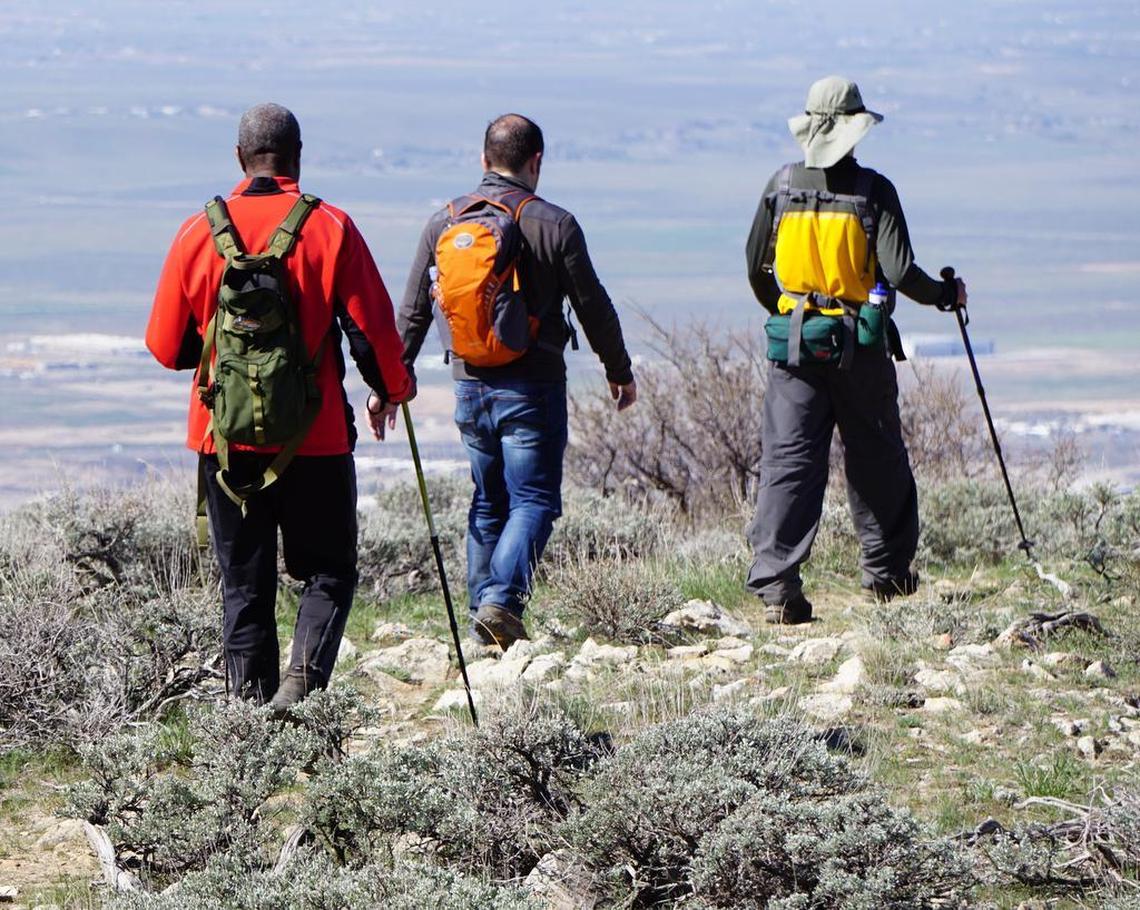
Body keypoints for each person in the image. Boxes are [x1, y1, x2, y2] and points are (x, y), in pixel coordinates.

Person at [146, 102, 413, 707]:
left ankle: (248, 721)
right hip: (315, 437)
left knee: (243, 585)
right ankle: (302, 685)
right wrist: (393, 390)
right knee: (329, 570)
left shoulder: (196, 232)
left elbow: (167, 348)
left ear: (240, 158)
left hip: (225, 440)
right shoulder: (332, 227)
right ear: (298, 156)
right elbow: (370, 336)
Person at [398, 113, 637, 650]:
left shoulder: (444, 223)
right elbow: (593, 307)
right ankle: (499, 603)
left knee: (488, 501)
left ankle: (483, 619)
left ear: (484, 161)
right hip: (532, 387)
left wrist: (390, 383)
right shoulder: (554, 224)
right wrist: (618, 371)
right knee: (533, 501)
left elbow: (412, 311)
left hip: (469, 385)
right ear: (536, 163)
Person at [744, 76, 967, 624]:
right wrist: (944, 296)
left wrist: (788, 310)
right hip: (859, 347)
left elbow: (755, 268)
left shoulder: (781, 185)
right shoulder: (874, 191)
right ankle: (887, 575)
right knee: (876, 459)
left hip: (795, 344)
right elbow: (899, 272)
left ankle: (778, 588)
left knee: (789, 464)